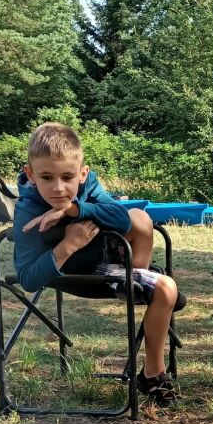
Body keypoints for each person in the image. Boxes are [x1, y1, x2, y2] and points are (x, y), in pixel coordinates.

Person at [13, 122, 182, 406]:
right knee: (166, 288)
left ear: (82, 173)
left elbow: (121, 218)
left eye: (68, 177)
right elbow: (28, 278)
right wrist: (68, 245)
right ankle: (153, 374)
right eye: (46, 177)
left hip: (108, 256)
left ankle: (142, 286)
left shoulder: (87, 186)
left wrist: (75, 209)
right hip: (78, 273)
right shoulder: (27, 211)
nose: (58, 187)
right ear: (31, 175)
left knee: (140, 217)